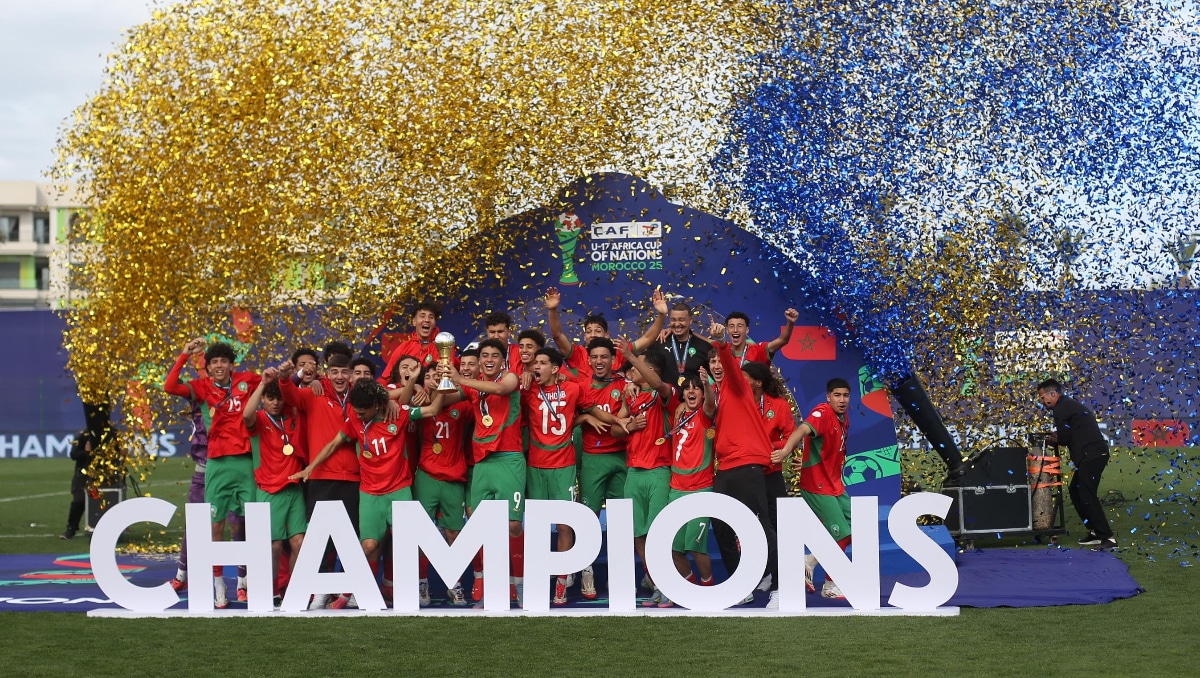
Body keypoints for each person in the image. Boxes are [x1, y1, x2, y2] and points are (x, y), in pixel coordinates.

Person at [293, 376, 443, 608]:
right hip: (370, 492)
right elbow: (333, 444)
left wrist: (442, 386)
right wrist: (310, 467)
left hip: (398, 490)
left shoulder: (398, 415)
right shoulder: (355, 420)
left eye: (363, 412)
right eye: (356, 411)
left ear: (375, 405)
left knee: (405, 543)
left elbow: (433, 409)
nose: (358, 415)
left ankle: (383, 593)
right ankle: (357, 592)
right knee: (369, 546)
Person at [163, 338, 262, 609]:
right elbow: (169, 386)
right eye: (214, 362)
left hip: (245, 462)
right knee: (215, 525)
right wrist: (184, 354)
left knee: (245, 524)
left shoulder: (246, 381)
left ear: (231, 365)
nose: (219, 365)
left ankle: (244, 582)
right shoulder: (201, 387)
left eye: (223, 361)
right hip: (216, 462)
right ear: (207, 367)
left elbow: (274, 386)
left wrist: (296, 375)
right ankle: (219, 584)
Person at [444, 338, 527, 604]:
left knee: (513, 524)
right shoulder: (473, 387)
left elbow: (501, 389)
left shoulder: (511, 377)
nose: (489, 360)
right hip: (482, 462)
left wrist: (461, 379)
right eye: (485, 356)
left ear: (503, 360)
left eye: (495, 355)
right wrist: (437, 383)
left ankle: (521, 585)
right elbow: (444, 400)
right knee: (481, 526)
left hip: (509, 458)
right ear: (479, 361)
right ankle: (492, 587)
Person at [705, 319, 781, 609]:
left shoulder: (737, 387)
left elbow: (730, 364)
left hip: (747, 465)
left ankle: (780, 587)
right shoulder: (721, 393)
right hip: (725, 468)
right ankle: (740, 584)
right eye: (713, 362)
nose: (718, 365)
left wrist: (721, 343)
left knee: (762, 526)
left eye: (721, 362)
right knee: (722, 527)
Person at [277, 352, 360, 609]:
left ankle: (351, 589)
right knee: (320, 539)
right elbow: (289, 394)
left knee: (352, 537)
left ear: (350, 374)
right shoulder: (314, 395)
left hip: (354, 477)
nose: (339, 377)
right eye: (334, 372)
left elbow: (387, 397)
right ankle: (321, 591)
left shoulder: (359, 397)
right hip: (321, 476)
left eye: (344, 372)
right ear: (328, 373)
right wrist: (285, 378)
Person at [772, 378, 853, 600]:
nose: (842, 400)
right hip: (818, 486)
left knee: (855, 529)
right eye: (837, 395)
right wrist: (786, 451)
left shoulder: (843, 417)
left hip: (835, 485)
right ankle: (830, 585)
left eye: (846, 395)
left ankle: (809, 560)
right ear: (828, 397)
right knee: (841, 533)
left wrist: (808, 460)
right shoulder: (823, 412)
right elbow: (802, 430)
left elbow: (827, 448)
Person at [614, 337, 678, 607]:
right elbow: (616, 429)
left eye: (636, 367)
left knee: (658, 532)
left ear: (651, 370)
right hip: (633, 472)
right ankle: (656, 584)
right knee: (638, 534)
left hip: (658, 471)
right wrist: (630, 426)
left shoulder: (666, 393)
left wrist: (630, 355)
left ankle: (670, 586)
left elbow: (658, 384)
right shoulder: (631, 396)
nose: (631, 371)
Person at [243, 369, 307, 608]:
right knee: (273, 546)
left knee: (299, 543)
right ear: (263, 399)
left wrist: (295, 375)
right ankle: (271, 592)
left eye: (279, 398)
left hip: (294, 488)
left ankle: (293, 589)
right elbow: (245, 415)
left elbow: (293, 392)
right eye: (270, 398)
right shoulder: (259, 419)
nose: (276, 403)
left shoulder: (290, 416)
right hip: (270, 489)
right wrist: (263, 384)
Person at [413, 364, 472, 606]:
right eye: (428, 376)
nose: (433, 380)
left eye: (438, 376)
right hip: (426, 475)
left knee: (455, 534)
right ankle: (421, 583)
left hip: (454, 477)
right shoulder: (419, 405)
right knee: (421, 533)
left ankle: (454, 584)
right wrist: (416, 388)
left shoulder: (463, 406)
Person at [660, 371, 718, 607]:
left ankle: (708, 588)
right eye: (688, 388)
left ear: (702, 394)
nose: (692, 391)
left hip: (701, 489)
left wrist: (707, 385)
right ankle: (689, 588)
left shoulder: (705, 414)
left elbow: (711, 404)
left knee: (696, 546)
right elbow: (660, 388)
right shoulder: (677, 412)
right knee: (673, 549)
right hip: (676, 488)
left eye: (697, 388)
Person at [1037, 379, 1116, 549]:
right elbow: (1070, 432)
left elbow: (1064, 438)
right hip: (1094, 453)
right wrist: (1058, 436)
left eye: (1043, 397)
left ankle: (1108, 537)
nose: (1042, 401)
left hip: (1092, 455)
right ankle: (1095, 531)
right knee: (1076, 491)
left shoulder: (1060, 409)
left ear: (1053, 394)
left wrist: (1054, 439)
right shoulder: (1067, 405)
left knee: (1086, 494)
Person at [544, 286, 667, 380]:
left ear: (607, 335)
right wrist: (552, 310)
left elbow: (647, 339)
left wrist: (661, 315)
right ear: (584, 336)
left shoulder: (619, 352)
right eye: (588, 331)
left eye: (598, 331)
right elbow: (557, 335)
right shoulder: (577, 354)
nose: (593, 334)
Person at [645, 300, 713, 386]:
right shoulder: (659, 342)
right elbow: (642, 368)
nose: (677, 324)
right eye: (673, 320)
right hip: (665, 394)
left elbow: (718, 375)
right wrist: (635, 383)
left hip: (693, 394)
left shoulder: (704, 347)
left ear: (690, 320)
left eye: (681, 320)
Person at [381, 301, 446, 381]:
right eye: (422, 316)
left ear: (434, 323)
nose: (427, 320)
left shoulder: (443, 346)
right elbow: (386, 378)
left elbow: (449, 377)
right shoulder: (404, 347)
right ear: (414, 322)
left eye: (431, 317)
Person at [722, 309, 799, 366]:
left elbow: (782, 340)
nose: (735, 330)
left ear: (747, 330)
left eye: (740, 326)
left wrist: (790, 322)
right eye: (731, 326)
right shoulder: (721, 352)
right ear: (727, 330)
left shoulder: (759, 351)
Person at [61, 430, 95, 540]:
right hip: (83, 473)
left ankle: (101, 528)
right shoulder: (82, 435)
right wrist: (87, 452)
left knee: (101, 500)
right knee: (79, 500)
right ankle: (71, 528)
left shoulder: (110, 433)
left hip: (103, 473)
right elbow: (73, 454)